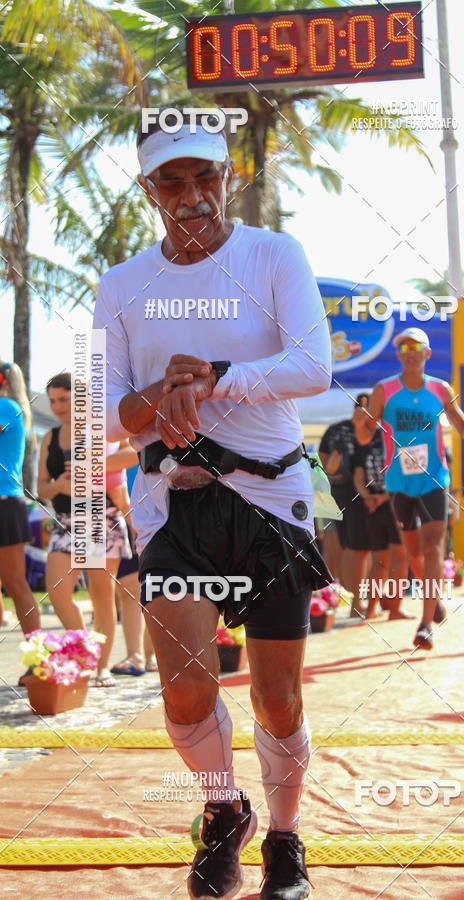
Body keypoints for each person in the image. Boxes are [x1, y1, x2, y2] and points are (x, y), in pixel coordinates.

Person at [92, 108, 332, 900]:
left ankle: (287, 841)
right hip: (173, 503)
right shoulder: (122, 284)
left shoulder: (275, 254)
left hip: (270, 497)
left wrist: (215, 377)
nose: (191, 193)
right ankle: (224, 809)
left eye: (205, 176)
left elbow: (314, 367)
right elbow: (100, 409)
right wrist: (156, 399)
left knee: (277, 693)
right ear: (149, 188)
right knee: (186, 689)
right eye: (173, 179)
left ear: (228, 179)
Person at [354, 327, 464, 650]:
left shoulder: (441, 390)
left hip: (433, 479)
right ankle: (435, 603)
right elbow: (364, 436)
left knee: (432, 548)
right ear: (399, 355)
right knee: (414, 554)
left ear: (427, 354)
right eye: (403, 347)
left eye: (416, 346)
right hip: (399, 483)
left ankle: (425, 624)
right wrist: (362, 423)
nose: (410, 351)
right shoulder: (383, 391)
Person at [36, 373, 134, 686]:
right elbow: (41, 488)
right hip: (65, 521)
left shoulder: (99, 426)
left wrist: (89, 466)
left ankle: (100, 667)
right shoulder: (50, 437)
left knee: (101, 596)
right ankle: (83, 653)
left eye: (63, 399)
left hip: (100, 517)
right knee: (57, 592)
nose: (57, 406)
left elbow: (132, 453)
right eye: (52, 401)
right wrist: (59, 485)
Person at [0, 360, 41, 667]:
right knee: (16, 584)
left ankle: (38, 661)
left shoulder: (6, 405)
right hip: (9, 503)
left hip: (5, 503)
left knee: (15, 583)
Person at [352, 403, 410, 621]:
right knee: (398, 560)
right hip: (395, 505)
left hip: (374, 508)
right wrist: (381, 498)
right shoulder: (399, 439)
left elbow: (358, 478)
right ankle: (394, 610)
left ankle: (371, 609)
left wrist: (370, 498)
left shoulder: (364, 444)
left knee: (379, 561)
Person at [318, 395, 372, 616]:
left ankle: (354, 598)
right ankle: (351, 599)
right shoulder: (337, 430)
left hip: (363, 493)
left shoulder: (375, 431)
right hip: (340, 493)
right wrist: (329, 472)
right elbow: (321, 461)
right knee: (344, 548)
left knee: (360, 548)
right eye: (363, 408)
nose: (365, 413)